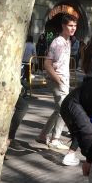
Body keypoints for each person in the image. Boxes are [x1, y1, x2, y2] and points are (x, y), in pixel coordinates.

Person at [62, 22, 92, 166]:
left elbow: (83, 67)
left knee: (85, 120)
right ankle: (85, 155)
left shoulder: (88, 48)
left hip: (86, 85)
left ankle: (73, 153)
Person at [36, 14, 77, 150]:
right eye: (70, 25)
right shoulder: (58, 42)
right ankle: (55, 139)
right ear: (63, 26)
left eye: (75, 26)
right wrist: (58, 80)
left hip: (62, 80)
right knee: (64, 110)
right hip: (58, 80)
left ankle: (43, 135)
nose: (73, 28)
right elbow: (47, 64)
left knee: (58, 110)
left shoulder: (67, 41)